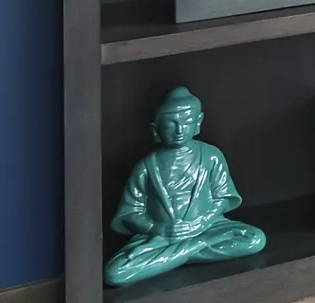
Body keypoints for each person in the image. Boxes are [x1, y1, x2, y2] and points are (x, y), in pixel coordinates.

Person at [106, 87, 266, 286]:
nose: (180, 129)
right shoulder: (146, 167)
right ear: (155, 129)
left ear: (198, 123)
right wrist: (157, 228)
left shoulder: (211, 156)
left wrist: (202, 222)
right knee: (115, 273)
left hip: (207, 227)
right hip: (162, 235)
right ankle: (191, 250)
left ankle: (169, 259)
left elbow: (223, 198)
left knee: (255, 239)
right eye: (171, 124)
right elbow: (130, 213)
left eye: (187, 122)